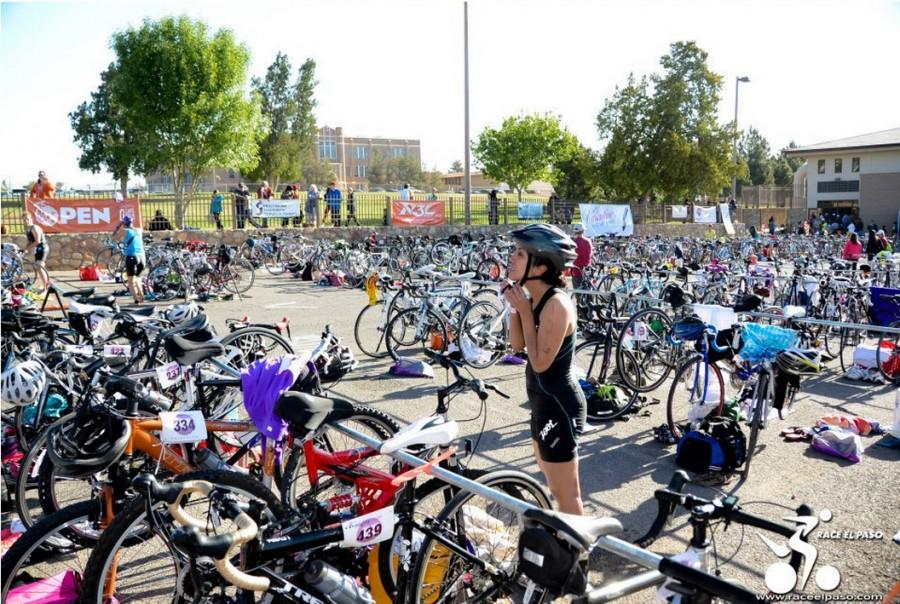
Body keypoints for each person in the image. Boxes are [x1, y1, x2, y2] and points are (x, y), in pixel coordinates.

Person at [503, 224, 585, 515]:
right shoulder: (534, 297)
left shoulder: (557, 305)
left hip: (559, 406)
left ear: (540, 265)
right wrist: (516, 307)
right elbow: (516, 346)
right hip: (541, 403)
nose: (511, 258)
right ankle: (564, 546)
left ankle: (579, 556)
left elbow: (539, 362)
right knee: (553, 487)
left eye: (520, 254)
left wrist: (524, 310)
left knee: (568, 497)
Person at [113, 215, 145, 304]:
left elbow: (113, 238)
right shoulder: (138, 230)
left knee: (130, 281)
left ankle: (136, 300)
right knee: (137, 278)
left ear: (124, 223)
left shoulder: (124, 231)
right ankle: (142, 297)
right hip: (142, 257)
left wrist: (118, 227)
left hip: (132, 257)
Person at [22, 212, 49, 291]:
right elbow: (29, 242)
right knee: (40, 267)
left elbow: (37, 241)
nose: (26, 221)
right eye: (24, 220)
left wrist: (28, 249)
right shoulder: (27, 229)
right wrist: (24, 249)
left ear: (31, 219)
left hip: (43, 248)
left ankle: (46, 288)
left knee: (40, 267)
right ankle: (46, 285)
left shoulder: (35, 228)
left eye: (27, 219)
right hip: (37, 249)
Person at [571, 224, 592, 292]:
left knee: (578, 294)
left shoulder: (573, 243)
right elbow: (590, 255)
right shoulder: (588, 241)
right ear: (583, 231)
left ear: (574, 232)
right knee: (588, 294)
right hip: (587, 270)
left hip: (576, 271)